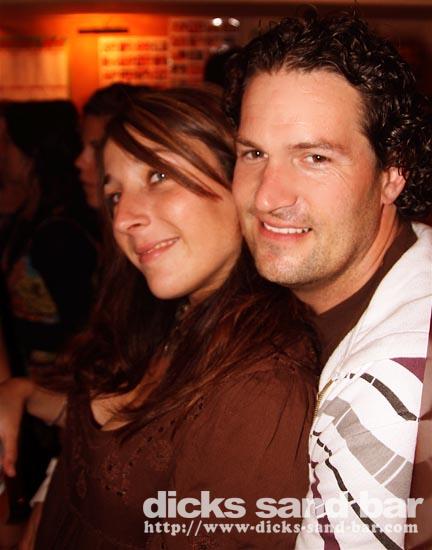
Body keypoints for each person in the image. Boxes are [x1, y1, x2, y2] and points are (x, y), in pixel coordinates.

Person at [0, 87, 318, 549]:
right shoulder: (168, 316)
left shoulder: (263, 389)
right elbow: (120, 437)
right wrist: (24, 392)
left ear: (239, 180)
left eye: (159, 175)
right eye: (114, 195)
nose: (123, 219)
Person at [225, 9, 432, 549]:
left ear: (392, 173)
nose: (267, 196)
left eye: (314, 157)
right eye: (254, 153)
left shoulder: (391, 390)